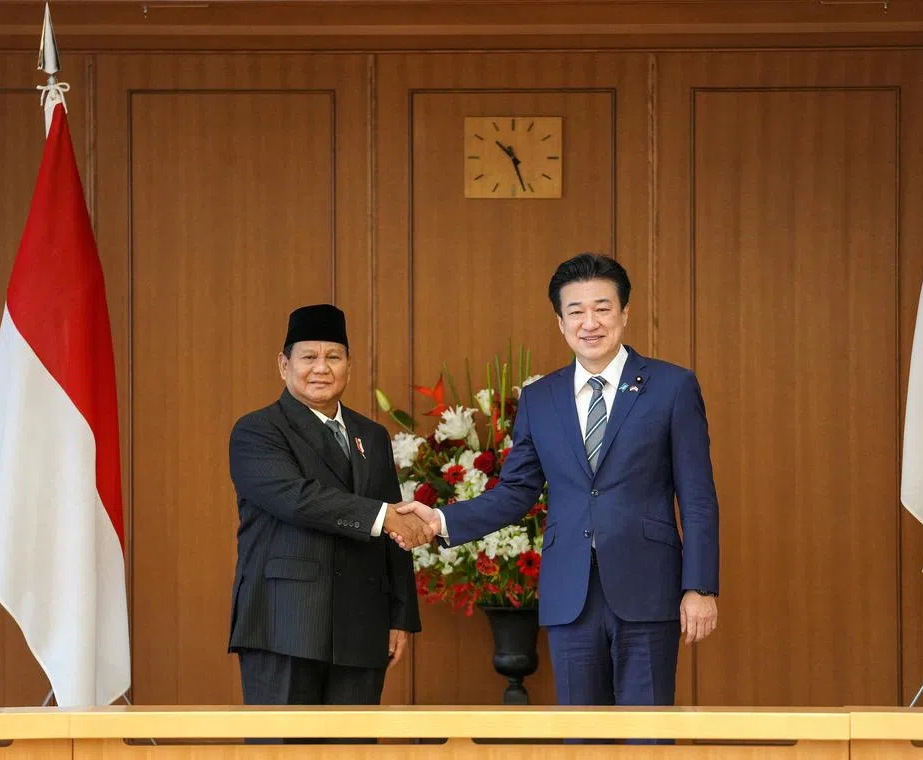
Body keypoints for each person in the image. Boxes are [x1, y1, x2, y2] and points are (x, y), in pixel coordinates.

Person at [395, 253, 720, 709]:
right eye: (576, 311)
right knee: (580, 738)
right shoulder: (540, 397)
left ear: (625, 313)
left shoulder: (672, 386)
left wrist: (700, 586)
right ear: (560, 322)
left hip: (650, 587)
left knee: (647, 736)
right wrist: (440, 520)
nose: (590, 322)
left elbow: (698, 497)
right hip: (571, 593)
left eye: (603, 308)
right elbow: (515, 491)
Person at [227, 303, 431, 720]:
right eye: (308, 357)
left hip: (362, 624)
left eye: (333, 357)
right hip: (284, 622)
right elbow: (299, 498)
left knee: (352, 750)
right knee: (280, 752)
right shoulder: (257, 430)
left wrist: (401, 616)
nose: (321, 368)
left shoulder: (371, 436)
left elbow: (395, 534)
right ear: (284, 365)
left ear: (349, 367)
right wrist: (384, 516)